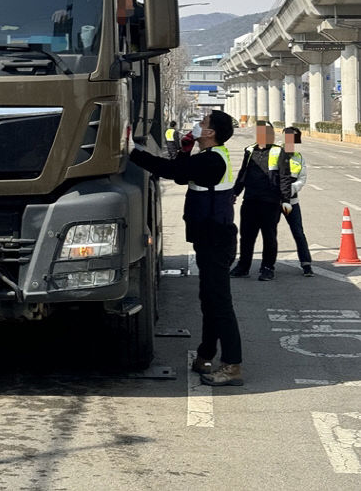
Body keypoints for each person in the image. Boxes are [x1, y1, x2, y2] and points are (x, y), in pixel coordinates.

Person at [129, 109, 243, 387]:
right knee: (209, 300)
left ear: (211, 133)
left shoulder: (213, 161)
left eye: (202, 123)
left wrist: (132, 151)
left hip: (216, 240)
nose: (197, 124)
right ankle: (206, 354)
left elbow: (172, 172)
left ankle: (232, 365)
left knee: (220, 304)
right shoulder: (208, 158)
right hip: (210, 239)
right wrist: (185, 149)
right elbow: (182, 176)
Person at [230, 121, 293, 281]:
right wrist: (235, 192)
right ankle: (243, 266)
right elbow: (243, 174)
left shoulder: (280, 152)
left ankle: (267, 268)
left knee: (269, 236)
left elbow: (285, 178)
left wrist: (285, 200)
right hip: (250, 200)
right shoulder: (249, 150)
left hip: (270, 202)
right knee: (246, 236)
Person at [281, 127, 313, 276]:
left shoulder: (299, 157)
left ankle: (306, 264)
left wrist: (291, 189)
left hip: (292, 202)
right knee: (269, 233)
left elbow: (302, 179)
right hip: (275, 201)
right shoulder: (275, 154)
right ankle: (267, 267)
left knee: (298, 233)